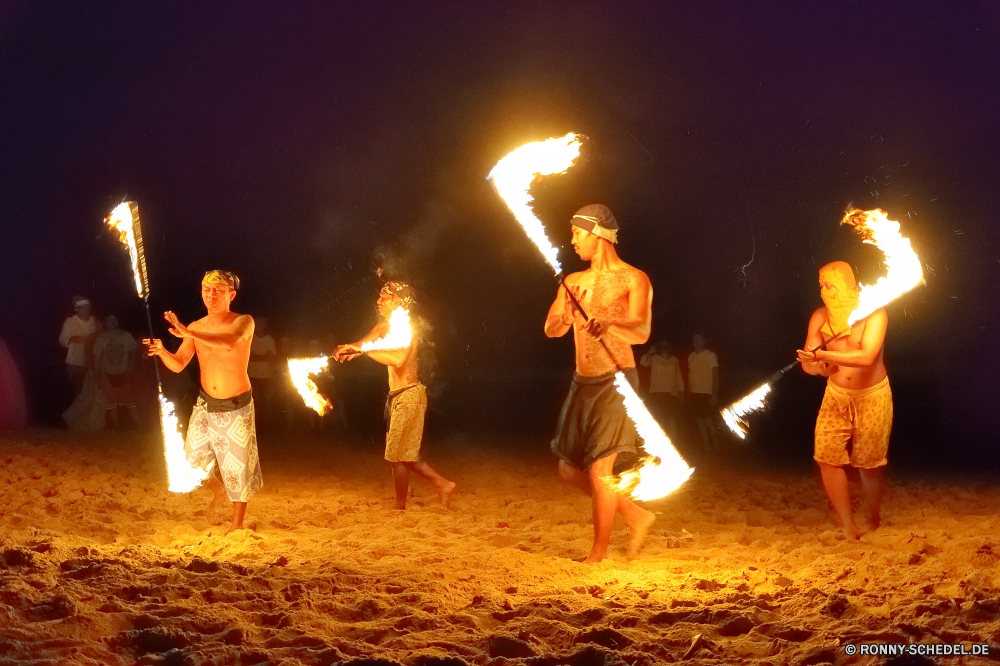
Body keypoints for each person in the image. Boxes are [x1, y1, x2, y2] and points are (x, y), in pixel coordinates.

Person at [544, 203, 656, 564]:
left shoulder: (634, 279)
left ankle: (598, 554)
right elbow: (551, 330)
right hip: (583, 383)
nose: (572, 239)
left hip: (617, 383)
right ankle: (637, 516)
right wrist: (566, 315)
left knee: (599, 471)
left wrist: (609, 325)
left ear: (597, 233)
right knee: (567, 470)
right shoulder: (573, 282)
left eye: (577, 232)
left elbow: (641, 331)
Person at [144, 270, 262, 533]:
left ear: (231, 294)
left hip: (236, 405)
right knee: (192, 461)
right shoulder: (196, 328)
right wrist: (163, 350)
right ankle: (218, 491)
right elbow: (178, 365)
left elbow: (229, 341)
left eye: (218, 290)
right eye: (207, 290)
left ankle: (237, 525)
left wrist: (189, 332)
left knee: (237, 465)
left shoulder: (243, 322)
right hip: (206, 403)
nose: (212, 295)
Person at [333, 281, 455, 510]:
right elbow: (366, 341)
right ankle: (441, 485)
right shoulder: (383, 326)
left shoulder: (405, 328)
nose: (378, 301)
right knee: (401, 453)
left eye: (384, 298)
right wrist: (351, 347)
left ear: (398, 302)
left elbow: (397, 359)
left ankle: (405, 503)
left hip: (410, 394)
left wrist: (363, 351)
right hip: (397, 397)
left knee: (399, 455)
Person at [797, 261, 891, 540]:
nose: (826, 292)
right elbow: (808, 362)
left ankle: (872, 520)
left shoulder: (875, 313)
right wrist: (817, 367)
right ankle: (848, 525)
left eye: (832, 286)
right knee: (827, 457)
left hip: (872, 395)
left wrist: (823, 356)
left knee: (868, 464)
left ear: (849, 286)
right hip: (836, 394)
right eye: (822, 286)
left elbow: (866, 357)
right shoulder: (819, 318)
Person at [93, 315, 142, 430]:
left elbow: (134, 352)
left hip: (124, 374)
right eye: (109, 320)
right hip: (107, 375)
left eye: (114, 319)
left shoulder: (126, 336)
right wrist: (97, 376)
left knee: (131, 405)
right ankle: (117, 429)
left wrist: (130, 370)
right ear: (105, 322)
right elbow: (96, 358)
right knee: (112, 405)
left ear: (118, 321)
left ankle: (142, 428)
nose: (112, 322)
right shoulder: (101, 338)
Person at [639, 341, 683, 437]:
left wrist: (681, 391)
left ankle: (673, 442)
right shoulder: (654, 358)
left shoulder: (674, 360)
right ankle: (662, 442)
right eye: (662, 345)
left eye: (666, 345)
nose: (664, 347)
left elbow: (678, 375)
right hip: (657, 392)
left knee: (671, 419)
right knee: (660, 419)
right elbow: (643, 362)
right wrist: (650, 352)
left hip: (672, 393)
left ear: (669, 347)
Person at [59, 296, 100, 395]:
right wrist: (72, 339)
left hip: (91, 362)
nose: (85, 310)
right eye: (82, 307)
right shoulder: (70, 321)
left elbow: (101, 338)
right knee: (76, 390)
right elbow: (62, 340)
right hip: (74, 362)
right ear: (77, 309)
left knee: (91, 389)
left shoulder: (95, 321)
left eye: (87, 307)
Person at [687, 333, 720, 453]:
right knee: (699, 421)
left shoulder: (710, 355)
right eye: (694, 339)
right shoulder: (691, 356)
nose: (697, 341)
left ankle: (716, 446)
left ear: (704, 340)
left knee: (708, 420)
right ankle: (707, 447)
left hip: (706, 393)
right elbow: (691, 375)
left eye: (699, 339)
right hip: (693, 393)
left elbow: (716, 376)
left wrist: (714, 395)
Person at [248, 316, 277, 429]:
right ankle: (257, 426)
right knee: (255, 401)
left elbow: (271, 357)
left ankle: (269, 425)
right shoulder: (251, 338)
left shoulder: (269, 339)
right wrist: (262, 356)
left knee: (267, 401)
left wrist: (257, 356)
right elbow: (248, 357)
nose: (259, 326)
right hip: (252, 375)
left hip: (266, 375)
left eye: (261, 324)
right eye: (257, 324)